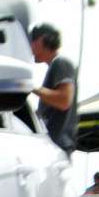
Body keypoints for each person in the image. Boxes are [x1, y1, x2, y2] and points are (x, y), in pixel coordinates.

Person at [29, 24, 78, 157]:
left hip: (58, 146)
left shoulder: (61, 63)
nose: (31, 48)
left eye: (32, 42)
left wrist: (30, 86)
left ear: (41, 40)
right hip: (55, 146)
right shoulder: (55, 66)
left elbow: (64, 100)